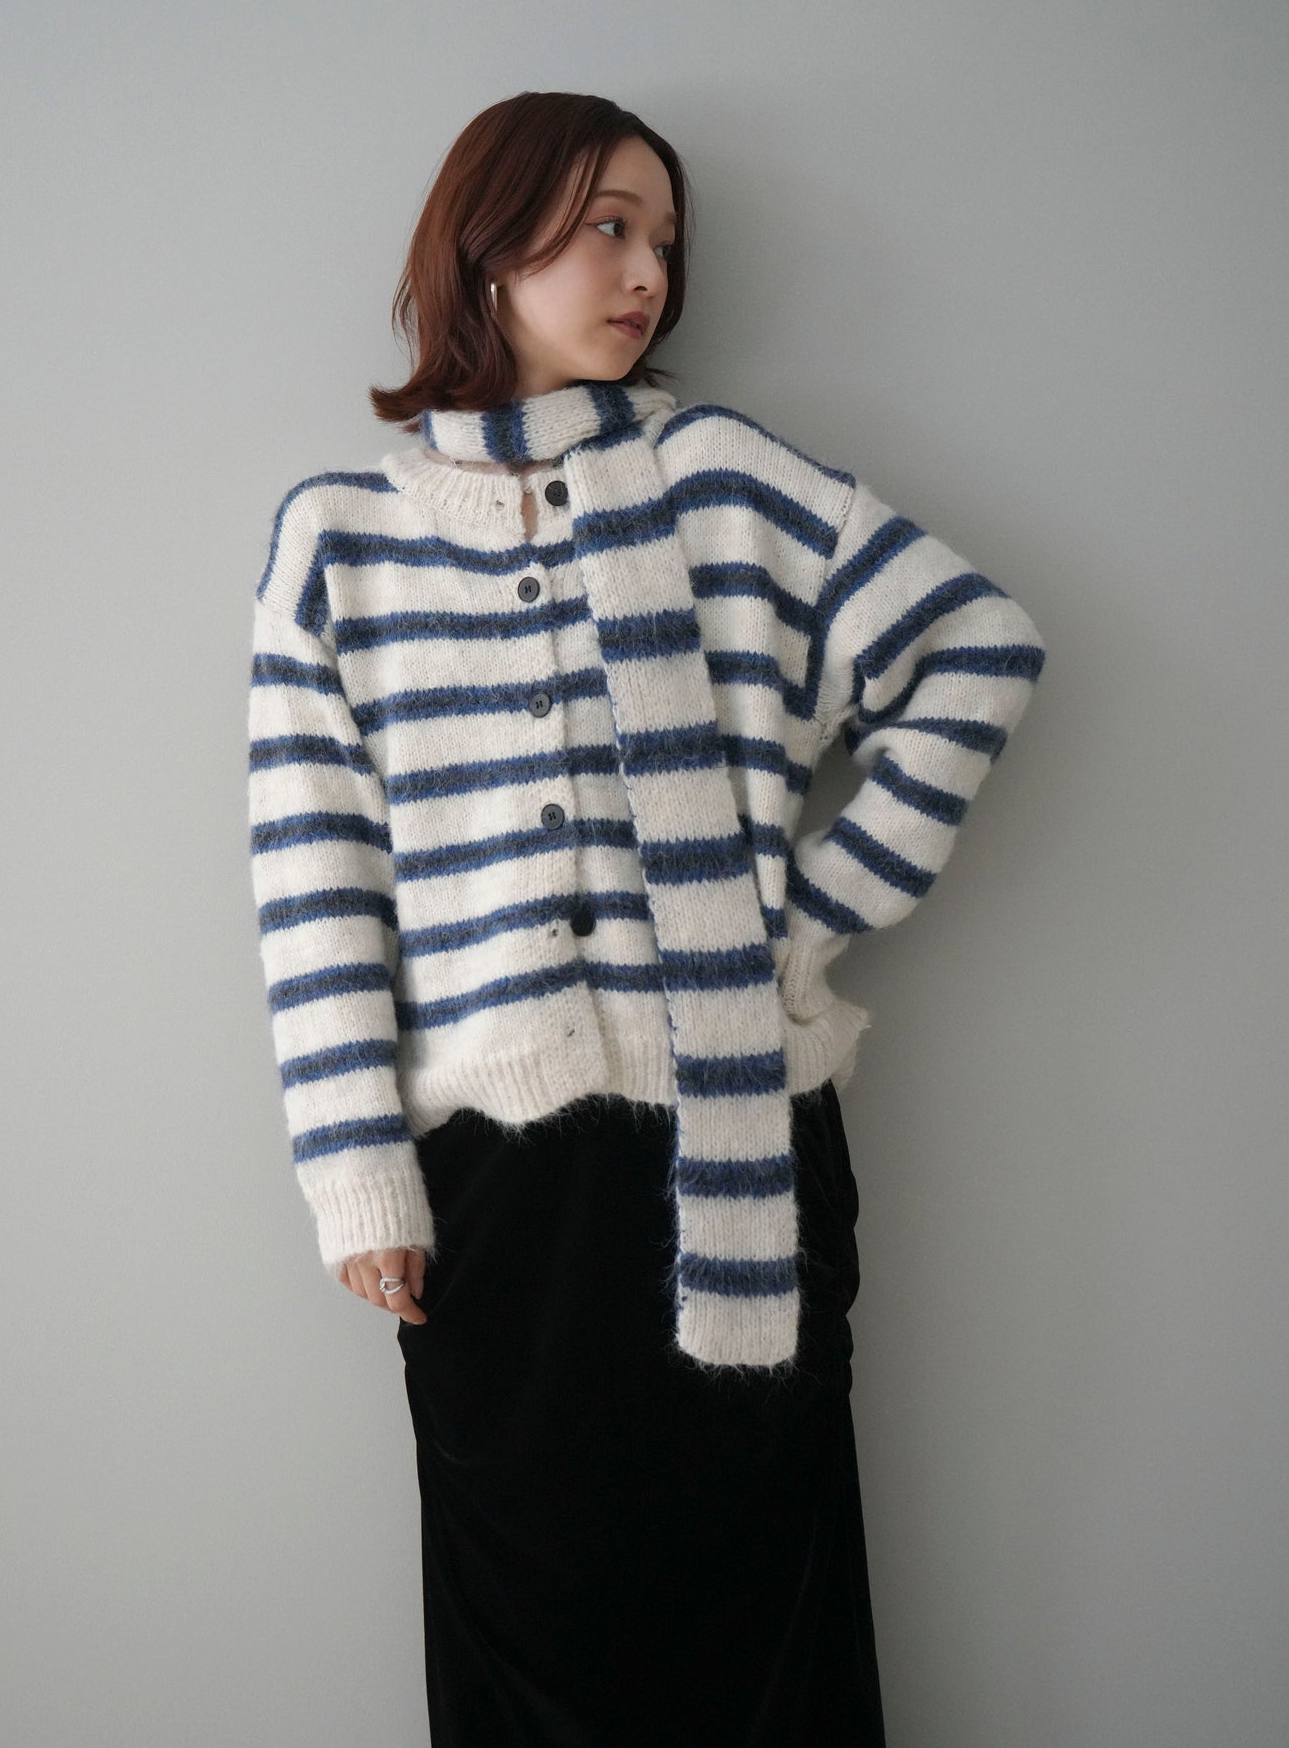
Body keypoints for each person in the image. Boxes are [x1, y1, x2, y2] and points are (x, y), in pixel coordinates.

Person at [247, 90, 1046, 1747]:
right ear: (488, 246)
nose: (645, 275)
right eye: (606, 227)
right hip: (496, 1198)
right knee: (527, 1651)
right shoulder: (341, 544)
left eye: (664, 241)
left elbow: (977, 649)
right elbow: (311, 874)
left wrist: (804, 919)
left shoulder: (724, 480)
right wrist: (354, 1174)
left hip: (738, 1151)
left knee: (767, 1634)